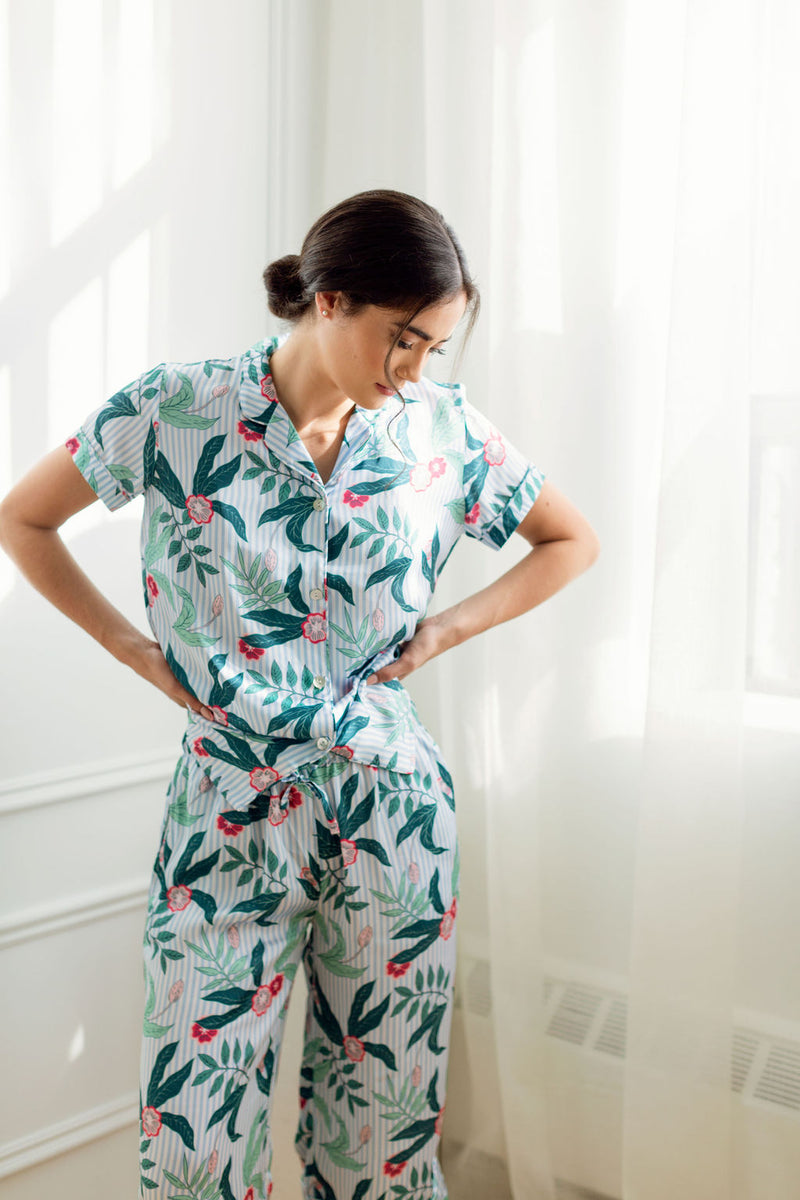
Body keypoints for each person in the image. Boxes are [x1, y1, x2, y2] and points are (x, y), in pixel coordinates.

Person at [0, 188, 599, 1200]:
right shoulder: (173, 408)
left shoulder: (439, 429)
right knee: (197, 1143)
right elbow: (24, 518)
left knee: (381, 1142)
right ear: (328, 301)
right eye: (401, 339)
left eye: (432, 349)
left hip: (391, 811)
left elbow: (569, 540)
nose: (412, 371)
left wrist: (446, 629)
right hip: (227, 813)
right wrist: (130, 648)